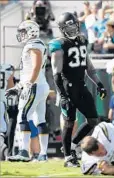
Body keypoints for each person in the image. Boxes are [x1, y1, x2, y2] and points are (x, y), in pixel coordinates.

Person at [48, 12, 107, 167]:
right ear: (62, 28)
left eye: (74, 25)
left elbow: (89, 66)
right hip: (67, 88)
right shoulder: (58, 45)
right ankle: (68, 157)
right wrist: (62, 95)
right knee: (69, 122)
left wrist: (99, 84)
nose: (73, 28)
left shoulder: (81, 40)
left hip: (82, 85)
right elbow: (56, 73)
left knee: (93, 119)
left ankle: (73, 145)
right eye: (69, 26)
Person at [5, 20, 50, 162]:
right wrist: (19, 86)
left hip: (35, 85)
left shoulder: (33, 45)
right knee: (40, 120)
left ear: (31, 31)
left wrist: (28, 84)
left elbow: (35, 67)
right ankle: (43, 154)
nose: (22, 35)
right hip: (40, 85)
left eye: (23, 32)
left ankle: (24, 152)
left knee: (23, 117)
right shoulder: (38, 44)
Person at [0, 64, 15, 160]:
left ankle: (3, 149)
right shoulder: (6, 67)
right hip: (1, 102)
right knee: (1, 130)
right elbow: (11, 87)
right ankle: (4, 149)